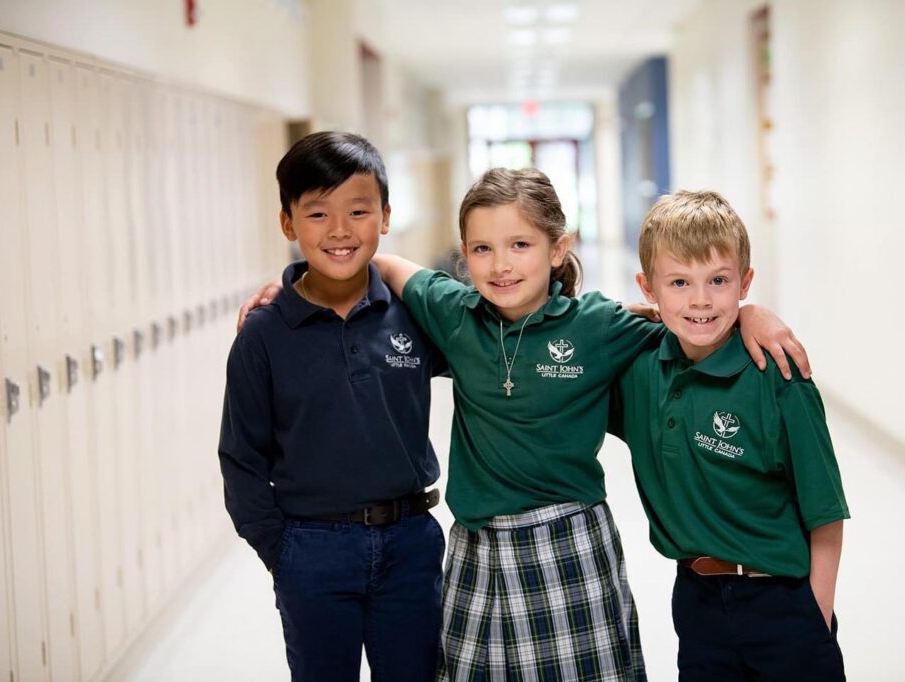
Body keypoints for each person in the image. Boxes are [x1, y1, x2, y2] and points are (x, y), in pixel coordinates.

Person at [367, 168, 809, 681]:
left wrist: (752, 313)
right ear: (463, 255)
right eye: (482, 249)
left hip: (571, 544)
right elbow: (382, 261)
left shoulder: (596, 325)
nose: (502, 265)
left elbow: (686, 314)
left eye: (520, 244)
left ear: (558, 249)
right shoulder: (453, 312)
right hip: (479, 550)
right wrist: (296, 286)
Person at [218, 131, 447, 682]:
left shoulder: (414, 314)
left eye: (359, 210)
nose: (340, 231)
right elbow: (241, 457)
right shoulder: (264, 335)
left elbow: (500, 340)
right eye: (318, 213)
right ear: (288, 224)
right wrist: (284, 552)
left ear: (386, 216)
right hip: (312, 550)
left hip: (410, 544)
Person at [609, 190, 849, 681]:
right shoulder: (638, 368)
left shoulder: (778, 376)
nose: (700, 300)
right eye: (679, 282)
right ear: (648, 288)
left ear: (745, 282)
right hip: (696, 602)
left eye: (718, 280)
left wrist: (816, 619)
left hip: (783, 602)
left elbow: (825, 512)